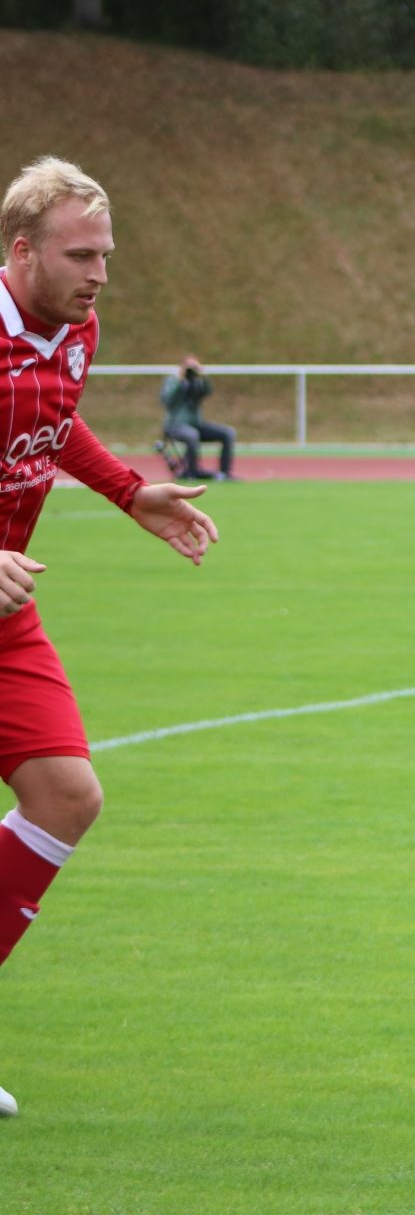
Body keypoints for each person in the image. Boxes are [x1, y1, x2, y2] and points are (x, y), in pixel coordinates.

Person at [0, 157, 219, 1119]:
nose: (98, 274)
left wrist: (131, 491)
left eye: (106, 256)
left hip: (7, 614)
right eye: (79, 256)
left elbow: (56, 421)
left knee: (66, 794)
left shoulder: (75, 331)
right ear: (22, 252)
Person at [159, 354, 237, 481]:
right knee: (192, 435)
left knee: (228, 433)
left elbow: (208, 391)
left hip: (196, 424)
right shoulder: (172, 381)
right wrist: (180, 381)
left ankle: (224, 473)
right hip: (175, 426)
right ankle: (192, 472)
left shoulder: (197, 381)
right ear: (181, 366)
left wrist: (202, 375)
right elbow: (167, 401)